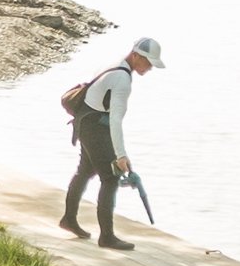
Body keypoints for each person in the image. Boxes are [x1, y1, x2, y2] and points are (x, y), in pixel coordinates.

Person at [60, 37, 164, 250]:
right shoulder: (123, 80)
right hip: (94, 126)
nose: (150, 67)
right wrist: (121, 155)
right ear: (135, 55)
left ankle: (69, 220)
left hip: (86, 121)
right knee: (110, 178)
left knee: (85, 171)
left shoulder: (114, 64)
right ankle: (106, 236)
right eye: (148, 62)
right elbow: (115, 120)